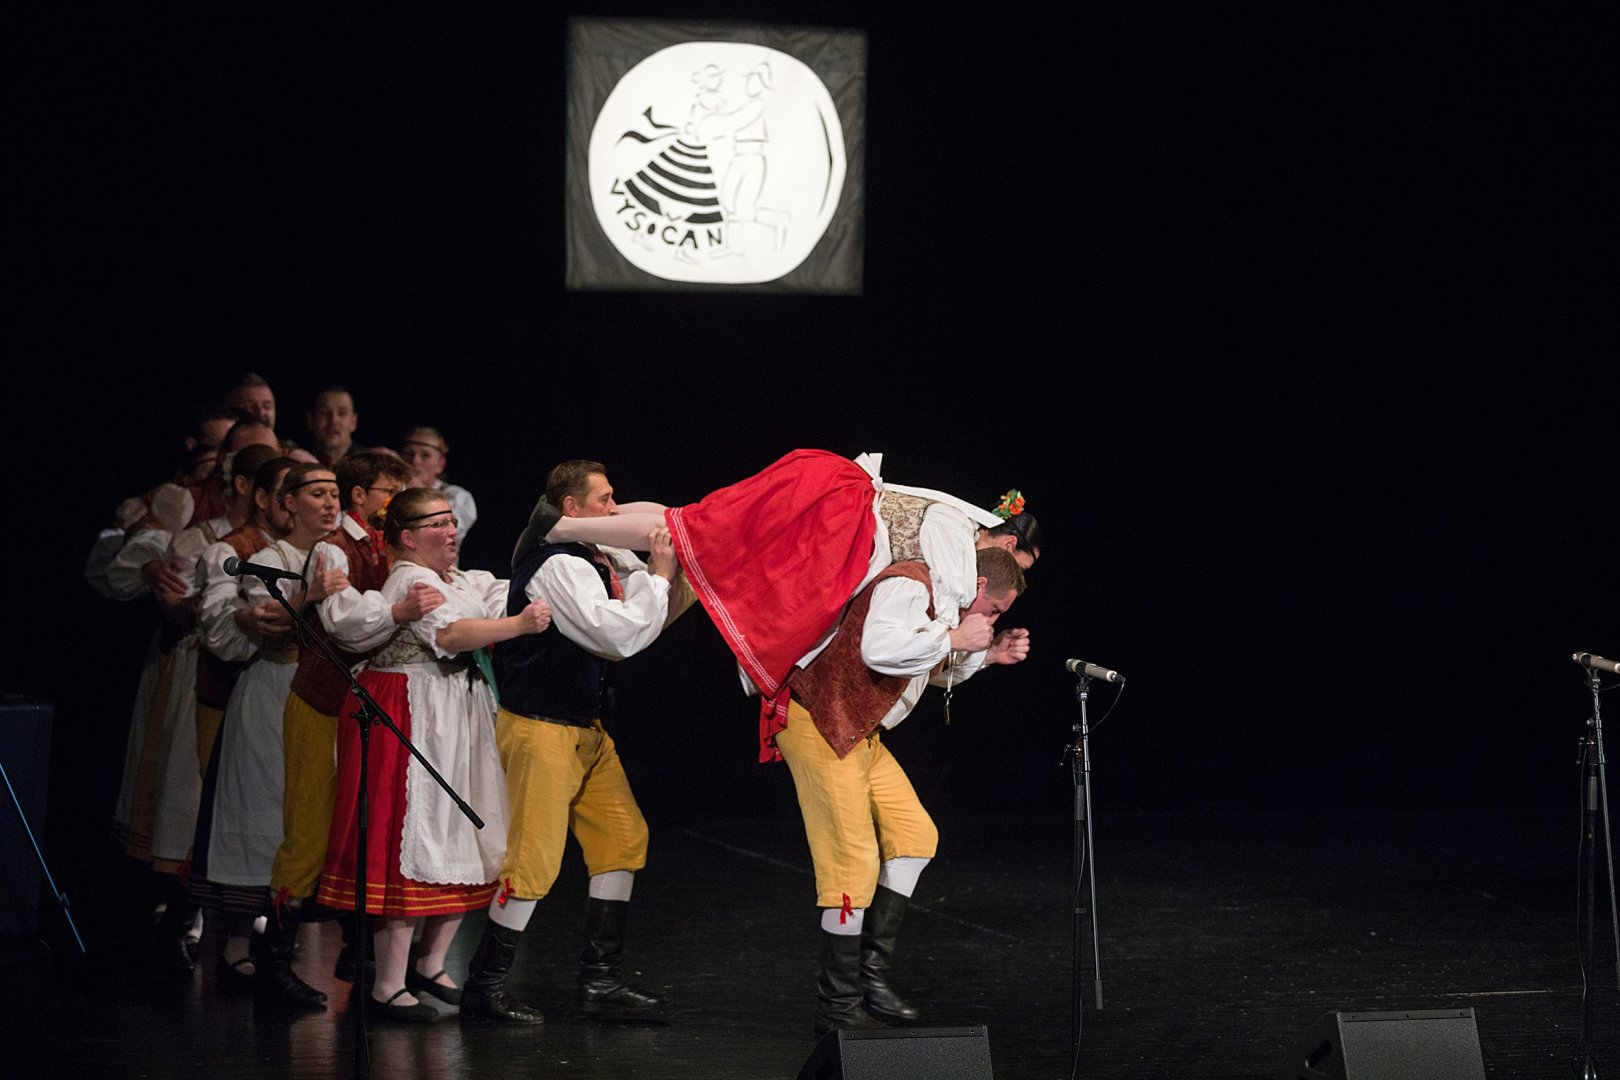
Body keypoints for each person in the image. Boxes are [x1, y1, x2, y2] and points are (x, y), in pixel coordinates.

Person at [512, 450, 1043, 758]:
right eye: (1018, 563)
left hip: (832, 503)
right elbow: (945, 616)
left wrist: (979, 651)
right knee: (699, 529)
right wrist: (964, 637)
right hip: (833, 515)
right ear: (1004, 543)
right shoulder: (957, 543)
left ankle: (568, 526)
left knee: (694, 522)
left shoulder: (958, 526)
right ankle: (560, 528)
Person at [462, 460, 685, 1024]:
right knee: (533, 861)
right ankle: (485, 985)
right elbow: (619, 635)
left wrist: (667, 571)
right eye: (604, 499)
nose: (614, 509)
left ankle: (600, 979)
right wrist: (659, 577)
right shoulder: (558, 563)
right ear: (571, 507)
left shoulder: (595, 553)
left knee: (622, 839)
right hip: (542, 728)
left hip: (584, 729)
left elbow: (646, 590)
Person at [317, 488, 550, 1023]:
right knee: (412, 837)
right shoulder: (409, 580)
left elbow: (503, 594)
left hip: (455, 711)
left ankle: (429, 963)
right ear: (406, 537)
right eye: (437, 524)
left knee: (463, 835)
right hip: (411, 711)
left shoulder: (458, 579)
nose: (451, 531)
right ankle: (387, 984)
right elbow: (451, 633)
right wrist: (517, 626)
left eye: (451, 521)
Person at [777, 546, 1031, 1034]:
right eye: (995, 609)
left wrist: (986, 656)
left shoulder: (943, 599)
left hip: (859, 731)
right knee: (852, 863)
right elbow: (880, 650)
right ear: (980, 587)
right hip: (821, 722)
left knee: (915, 836)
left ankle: (869, 975)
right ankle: (836, 1005)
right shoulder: (910, 582)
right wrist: (955, 637)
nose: (993, 618)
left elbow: (919, 666)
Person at [257, 451, 444, 1008]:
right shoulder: (333, 549)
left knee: (368, 828)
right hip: (321, 703)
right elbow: (344, 623)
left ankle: (360, 957)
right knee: (308, 836)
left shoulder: (387, 549)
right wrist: (398, 611)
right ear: (361, 496)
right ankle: (273, 962)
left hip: (361, 710)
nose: (395, 502)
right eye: (388, 492)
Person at [188, 462, 341, 993]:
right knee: (264, 808)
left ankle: (290, 943)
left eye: (335, 493)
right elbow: (267, 619)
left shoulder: (335, 554)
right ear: (287, 502)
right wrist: (309, 596)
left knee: (307, 814)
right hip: (274, 690)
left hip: (322, 694)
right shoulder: (270, 559)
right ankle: (236, 946)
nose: (329, 503)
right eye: (317, 494)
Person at [400, 426, 478, 539]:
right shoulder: (392, 490)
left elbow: (450, 530)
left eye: (425, 455)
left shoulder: (455, 495)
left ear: (440, 465)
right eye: (408, 453)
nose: (415, 461)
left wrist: (420, 491)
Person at [306, 386, 363, 467]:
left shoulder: (368, 466)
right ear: (311, 420)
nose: (333, 420)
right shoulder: (298, 463)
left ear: (353, 421)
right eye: (324, 413)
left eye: (342, 413)